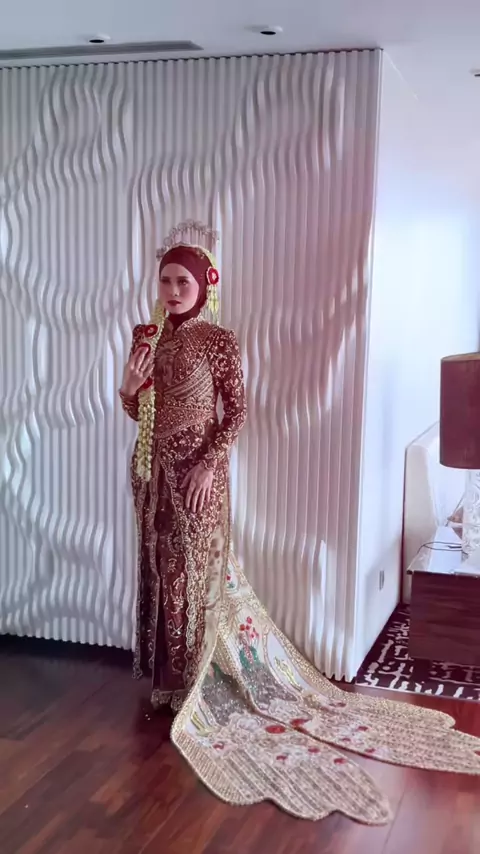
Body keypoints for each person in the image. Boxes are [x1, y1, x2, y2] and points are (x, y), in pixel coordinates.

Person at [120, 240, 480, 824]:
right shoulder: (148, 336)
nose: (173, 292)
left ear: (205, 286)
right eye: (166, 281)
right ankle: (167, 684)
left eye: (184, 282)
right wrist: (129, 388)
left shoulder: (218, 341)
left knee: (195, 575)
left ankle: (197, 685)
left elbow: (235, 412)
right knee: (161, 573)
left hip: (200, 481)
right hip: (153, 477)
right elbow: (141, 414)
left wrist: (209, 465)